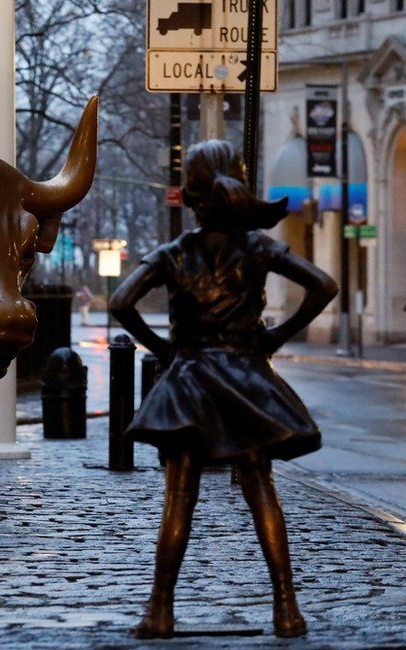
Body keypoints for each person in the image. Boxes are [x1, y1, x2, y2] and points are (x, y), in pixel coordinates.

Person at [109, 140, 338, 639]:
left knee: (179, 498)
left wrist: (165, 349)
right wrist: (275, 336)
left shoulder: (175, 252)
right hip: (245, 378)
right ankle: (286, 610)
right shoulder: (257, 247)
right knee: (260, 489)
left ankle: (160, 611)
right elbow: (324, 285)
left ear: (190, 196)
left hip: (189, 381)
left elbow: (121, 301)